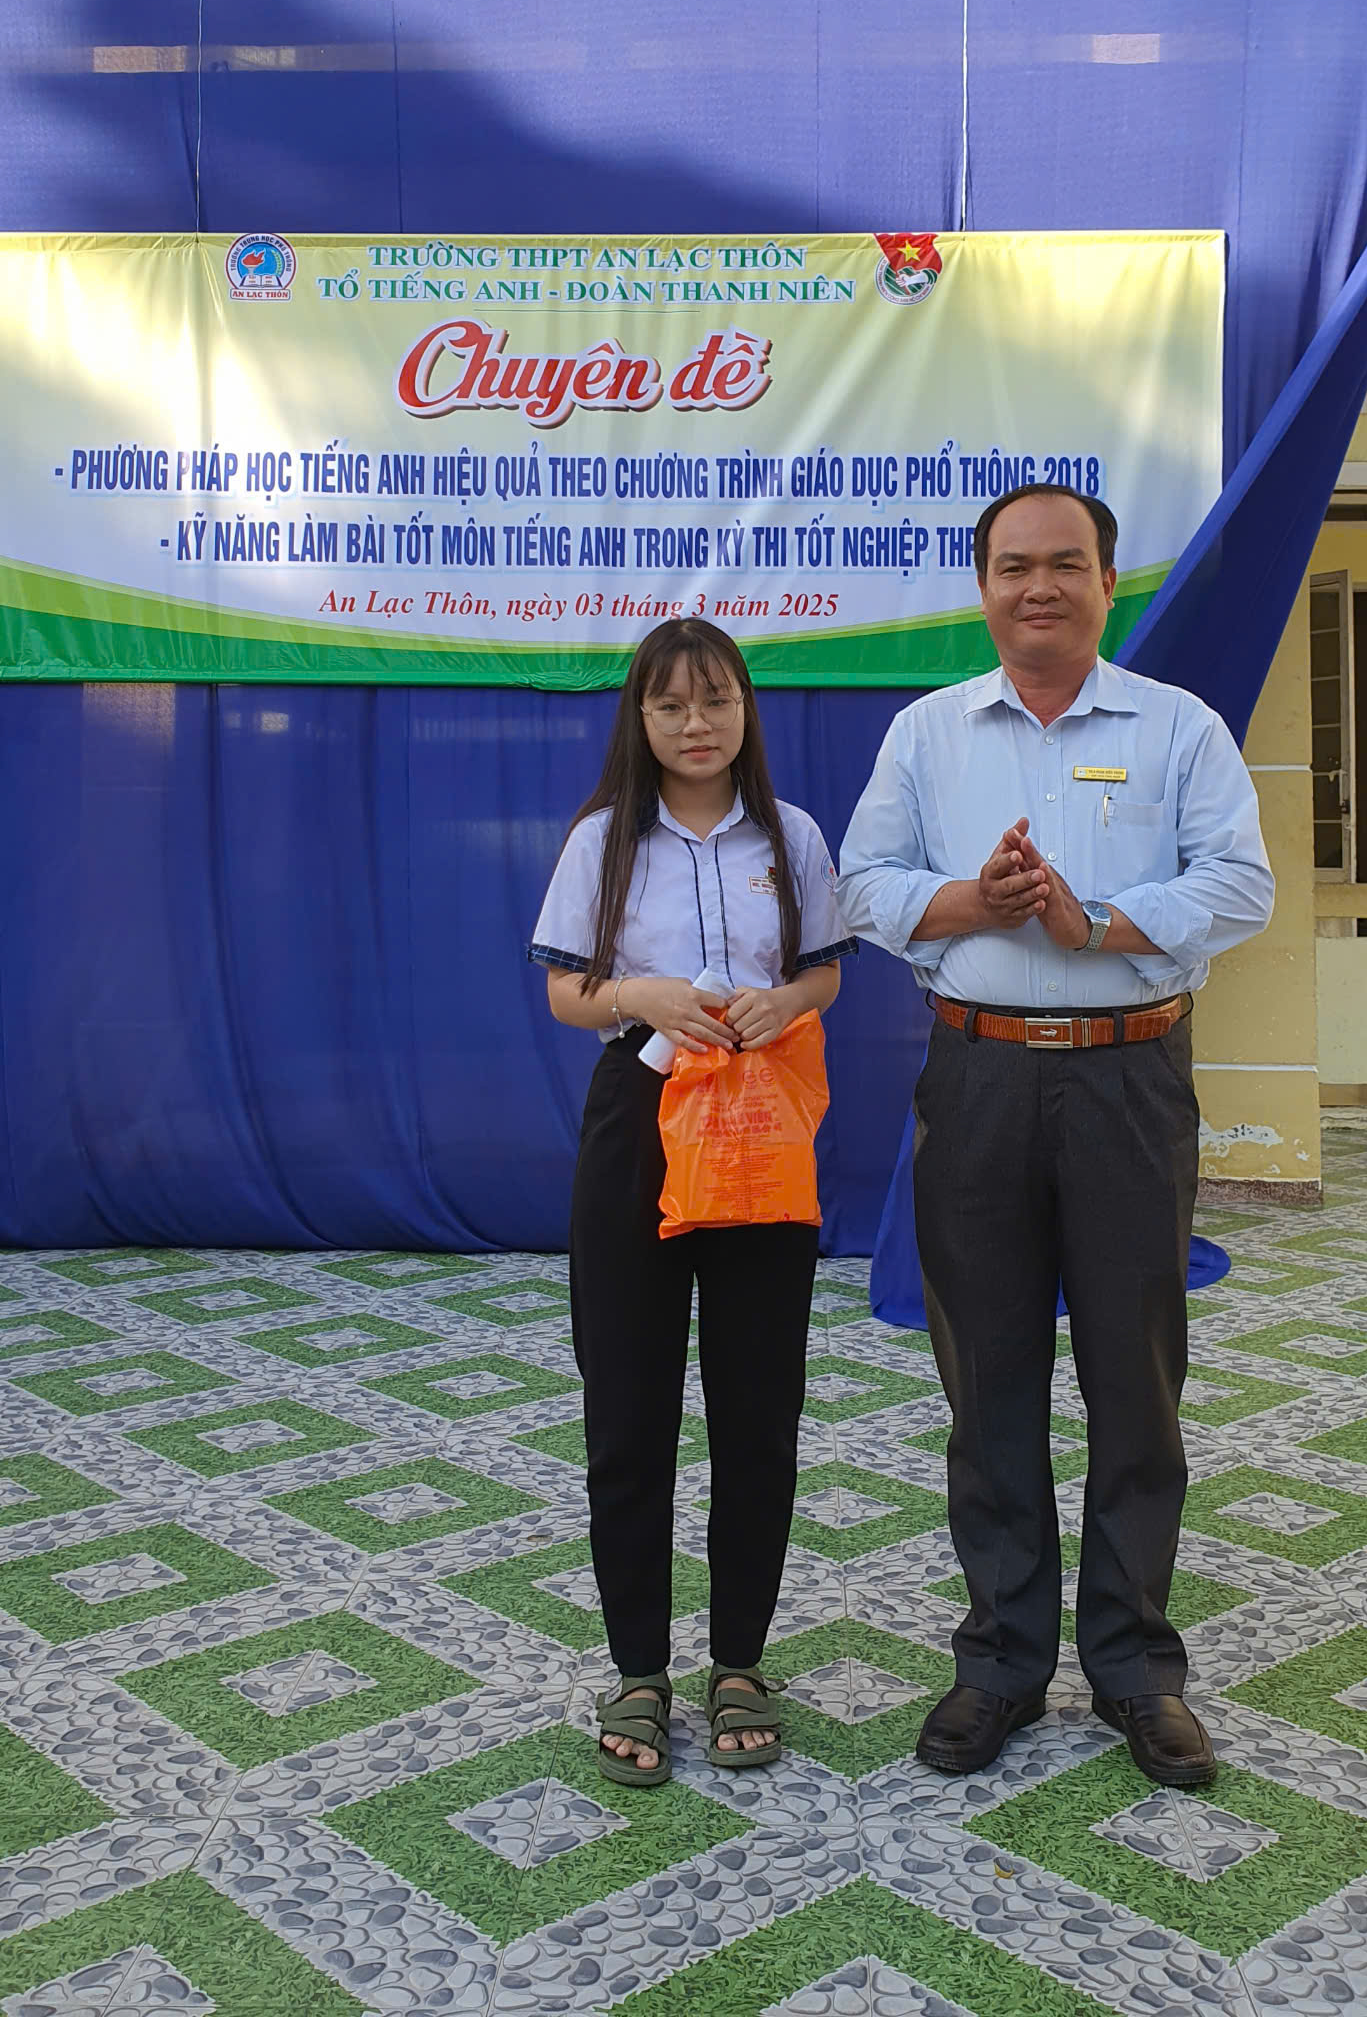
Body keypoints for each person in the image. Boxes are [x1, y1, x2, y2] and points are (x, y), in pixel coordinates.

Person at [837, 484, 1274, 1788]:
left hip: (1131, 1081)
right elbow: (860, 885)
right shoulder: (927, 734)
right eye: (1015, 565)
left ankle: (1137, 1669)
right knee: (989, 1383)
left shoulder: (1177, 727)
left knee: (1136, 1382)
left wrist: (1100, 925)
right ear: (984, 587)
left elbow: (1240, 883)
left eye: (1066, 564)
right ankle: (1001, 1663)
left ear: (1106, 582)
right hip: (977, 1079)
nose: (1040, 586)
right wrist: (974, 900)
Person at [532, 618, 851, 1786]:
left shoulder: (792, 836)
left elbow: (825, 968)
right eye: (669, 705)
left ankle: (740, 1664)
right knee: (628, 1406)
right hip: (641, 1117)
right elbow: (568, 992)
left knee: (758, 1408)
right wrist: (642, 994)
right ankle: (638, 1670)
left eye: (715, 699)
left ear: (745, 709)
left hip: (760, 1119)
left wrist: (790, 1002)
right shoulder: (603, 840)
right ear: (641, 718)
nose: (695, 723)